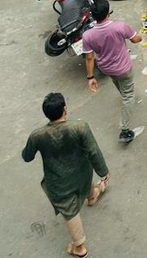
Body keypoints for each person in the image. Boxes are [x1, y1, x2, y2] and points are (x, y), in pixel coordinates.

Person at [22, 92, 110, 258]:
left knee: (69, 211)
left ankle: (79, 248)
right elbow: (93, 152)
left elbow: (27, 157)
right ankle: (92, 196)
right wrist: (104, 173)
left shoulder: (37, 135)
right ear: (65, 109)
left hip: (58, 183)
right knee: (85, 184)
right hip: (83, 172)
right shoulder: (80, 127)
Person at [81, 0, 141, 144]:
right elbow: (136, 39)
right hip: (123, 68)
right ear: (108, 12)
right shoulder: (120, 27)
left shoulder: (88, 35)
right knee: (129, 95)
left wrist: (90, 78)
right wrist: (138, 34)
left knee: (118, 83)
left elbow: (89, 58)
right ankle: (124, 128)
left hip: (106, 68)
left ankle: (125, 96)